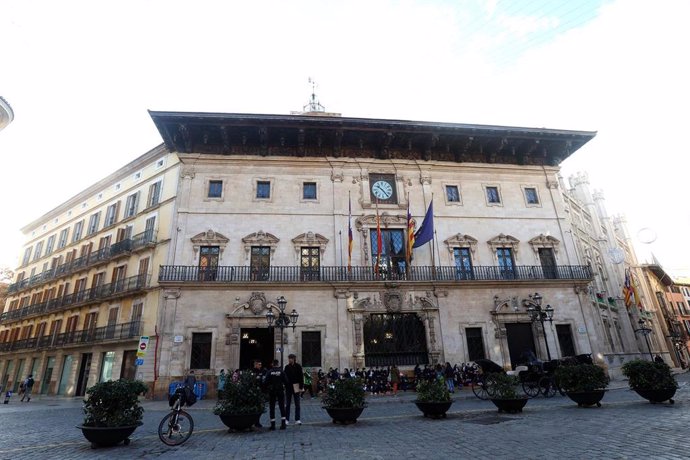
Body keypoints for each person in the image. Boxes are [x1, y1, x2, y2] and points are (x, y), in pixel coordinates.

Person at [264, 359, 288, 430]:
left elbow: (265, 382)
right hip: (280, 390)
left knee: (272, 407)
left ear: (272, 364)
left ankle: (273, 425)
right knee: (282, 407)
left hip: (272, 391)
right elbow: (286, 381)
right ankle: (283, 424)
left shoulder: (269, 372)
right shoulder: (281, 372)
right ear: (278, 364)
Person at [284, 354, 304, 425]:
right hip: (289, 387)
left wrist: (301, 387)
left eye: (291, 358)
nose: (289, 360)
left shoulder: (298, 366)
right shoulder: (286, 367)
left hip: (296, 386)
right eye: (289, 358)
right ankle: (286, 419)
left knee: (297, 404)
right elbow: (284, 377)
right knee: (288, 404)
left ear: (294, 359)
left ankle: (297, 419)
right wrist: (285, 385)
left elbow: (301, 376)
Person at [251, 360, 266, 428]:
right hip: (254, 392)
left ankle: (257, 421)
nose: (260, 366)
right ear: (255, 365)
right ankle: (254, 421)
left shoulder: (262, 371)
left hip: (261, 391)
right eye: (259, 364)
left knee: (260, 408)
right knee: (255, 408)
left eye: (261, 364)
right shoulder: (252, 372)